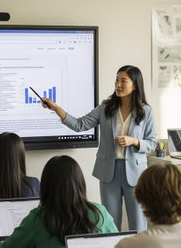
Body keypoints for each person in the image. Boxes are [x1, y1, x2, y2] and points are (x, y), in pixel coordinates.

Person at [42, 65, 157, 231]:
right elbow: (80, 124)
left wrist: (134, 141)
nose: (118, 84)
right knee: (109, 223)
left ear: (135, 85)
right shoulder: (106, 107)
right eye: (117, 80)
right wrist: (56, 109)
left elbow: (152, 142)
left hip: (135, 173)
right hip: (108, 172)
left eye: (123, 81)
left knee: (138, 224)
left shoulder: (146, 112)